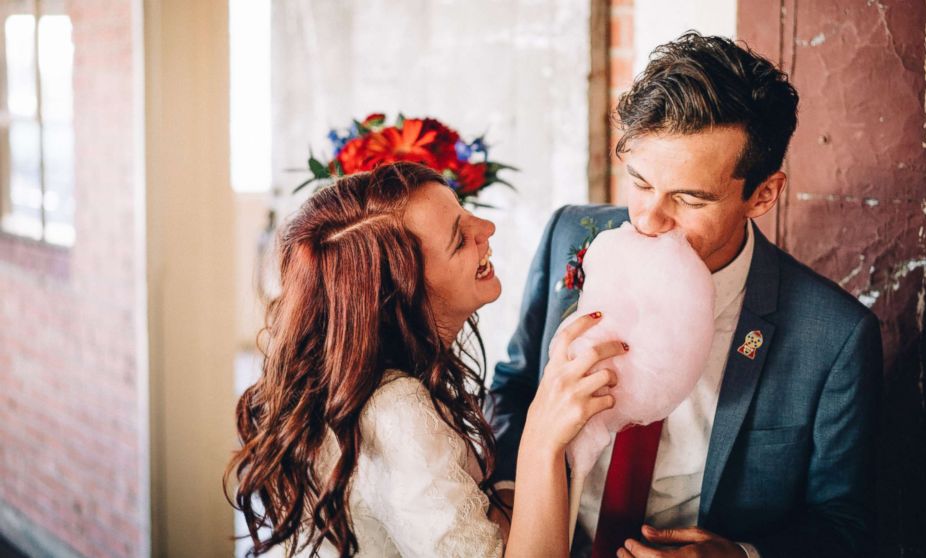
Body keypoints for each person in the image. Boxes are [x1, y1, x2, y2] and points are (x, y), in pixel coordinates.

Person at [486, 32, 882, 558]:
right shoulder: (569, 236)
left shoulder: (834, 337)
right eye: (640, 182)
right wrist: (515, 506)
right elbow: (512, 389)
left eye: (689, 198)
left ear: (762, 194)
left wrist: (741, 556)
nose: (648, 220)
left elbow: (844, 524)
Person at [224, 162, 627, 557]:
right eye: (459, 239)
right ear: (403, 296)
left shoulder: (349, 381)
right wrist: (542, 439)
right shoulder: (397, 413)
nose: (486, 230)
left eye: (465, 213)